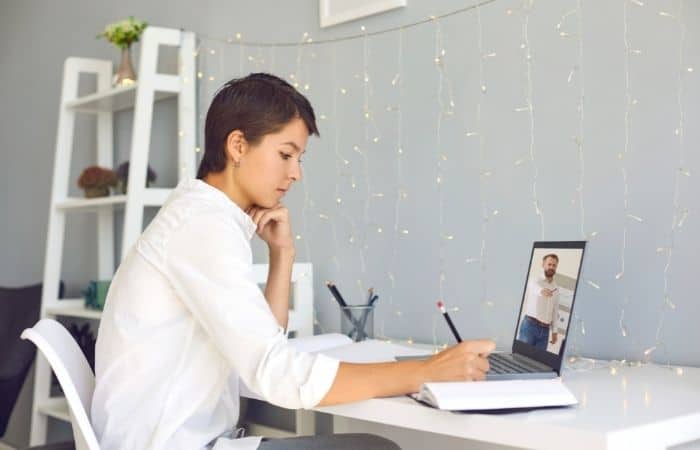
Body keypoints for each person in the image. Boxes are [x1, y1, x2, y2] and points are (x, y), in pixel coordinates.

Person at [91, 73, 496, 450]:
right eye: (286, 154)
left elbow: (264, 340)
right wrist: (424, 371)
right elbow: (274, 374)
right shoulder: (202, 226)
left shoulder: (203, 217)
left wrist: (282, 254)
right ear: (237, 146)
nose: (296, 173)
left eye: (299, 158)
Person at [518, 254, 561, 351]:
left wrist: (554, 331)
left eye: (554, 265)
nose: (551, 267)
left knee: (538, 363)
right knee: (521, 357)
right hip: (529, 327)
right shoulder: (535, 280)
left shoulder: (556, 288)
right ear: (543, 264)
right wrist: (541, 291)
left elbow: (555, 310)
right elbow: (533, 287)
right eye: (549, 264)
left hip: (545, 331)